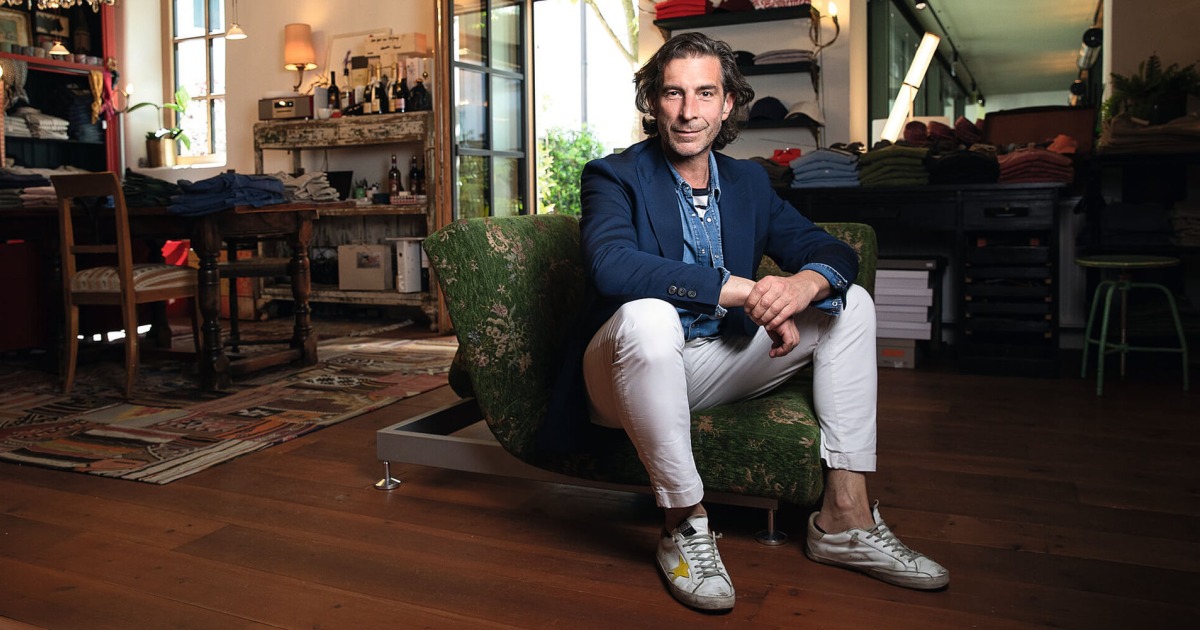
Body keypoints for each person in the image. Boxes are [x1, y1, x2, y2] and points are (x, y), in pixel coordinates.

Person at [571, 32, 949, 611]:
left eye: (705, 93)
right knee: (649, 317)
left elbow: (830, 251)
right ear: (653, 101)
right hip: (623, 373)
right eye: (673, 93)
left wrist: (800, 288)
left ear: (727, 104)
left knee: (851, 303)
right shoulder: (613, 175)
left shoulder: (748, 181)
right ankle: (683, 524)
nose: (689, 111)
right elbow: (610, 265)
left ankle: (844, 518)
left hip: (711, 362)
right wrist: (746, 292)